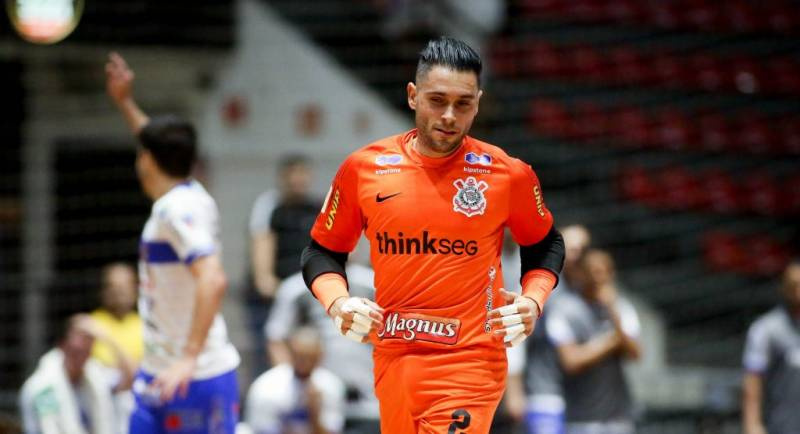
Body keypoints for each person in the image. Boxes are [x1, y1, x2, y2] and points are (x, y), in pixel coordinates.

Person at [300, 36, 565, 433]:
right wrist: (338, 303)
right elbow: (321, 251)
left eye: (463, 104)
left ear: (478, 102)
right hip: (393, 359)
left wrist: (534, 299)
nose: (449, 116)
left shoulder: (507, 173)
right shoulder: (363, 168)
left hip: (470, 362)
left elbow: (545, 244)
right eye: (437, 100)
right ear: (412, 96)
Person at [105, 52, 240, 433]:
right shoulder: (188, 191)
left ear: (147, 161)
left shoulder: (174, 211)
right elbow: (154, 141)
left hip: (193, 377)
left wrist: (189, 359)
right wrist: (126, 103)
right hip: (158, 374)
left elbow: (212, 279)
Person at [265, 262, 380, 432]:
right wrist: (292, 388)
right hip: (318, 402)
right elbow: (276, 339)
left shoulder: (373, 283)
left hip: (370, 400)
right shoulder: (295, 288)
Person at [506, 224, 592, 433]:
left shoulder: (590, 292)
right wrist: (514, 390)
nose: (574, 255)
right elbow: (514, 333)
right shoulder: (540, 286)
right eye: (569, 248)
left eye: (581, 250)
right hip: (544, 394)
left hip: (585, 401)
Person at [546, 249, 641, 434]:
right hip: (581, 419)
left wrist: (614, 313)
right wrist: (612, 342)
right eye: (593, 271)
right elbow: (571, 361)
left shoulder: (622, 308)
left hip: (619, 418)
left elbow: (635, 354)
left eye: (605, 271)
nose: (599, 278)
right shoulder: (566, 310)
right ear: (581, 273)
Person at [19, 314, 135, 434]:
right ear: (62, 345)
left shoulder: (94, 374)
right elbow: (48, 429)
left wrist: (106, 337)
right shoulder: (43, 387)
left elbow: (131, 379)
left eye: (86, 350)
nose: (82, 352)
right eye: (76, 350)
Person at [245, 327, 346, 434]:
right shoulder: (267, 386)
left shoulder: (331, 385)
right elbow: (260, 429)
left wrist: (315, 413)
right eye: (301, 357)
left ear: (320, 356)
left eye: (311, 358)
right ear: (290, 353)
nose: (305, 364)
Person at [742, 261, 800, 434]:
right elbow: (752, 380)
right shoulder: (767, 329)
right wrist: (753, 425)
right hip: (779, 426)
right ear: (784, 288)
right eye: (794, 285)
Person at [90, 262, 143, 434]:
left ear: (135, 289)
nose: (119, 292)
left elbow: (139, 373)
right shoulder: (92, 323)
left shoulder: (146, 326)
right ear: (103, 291)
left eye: (124, 286)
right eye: (113, 286)